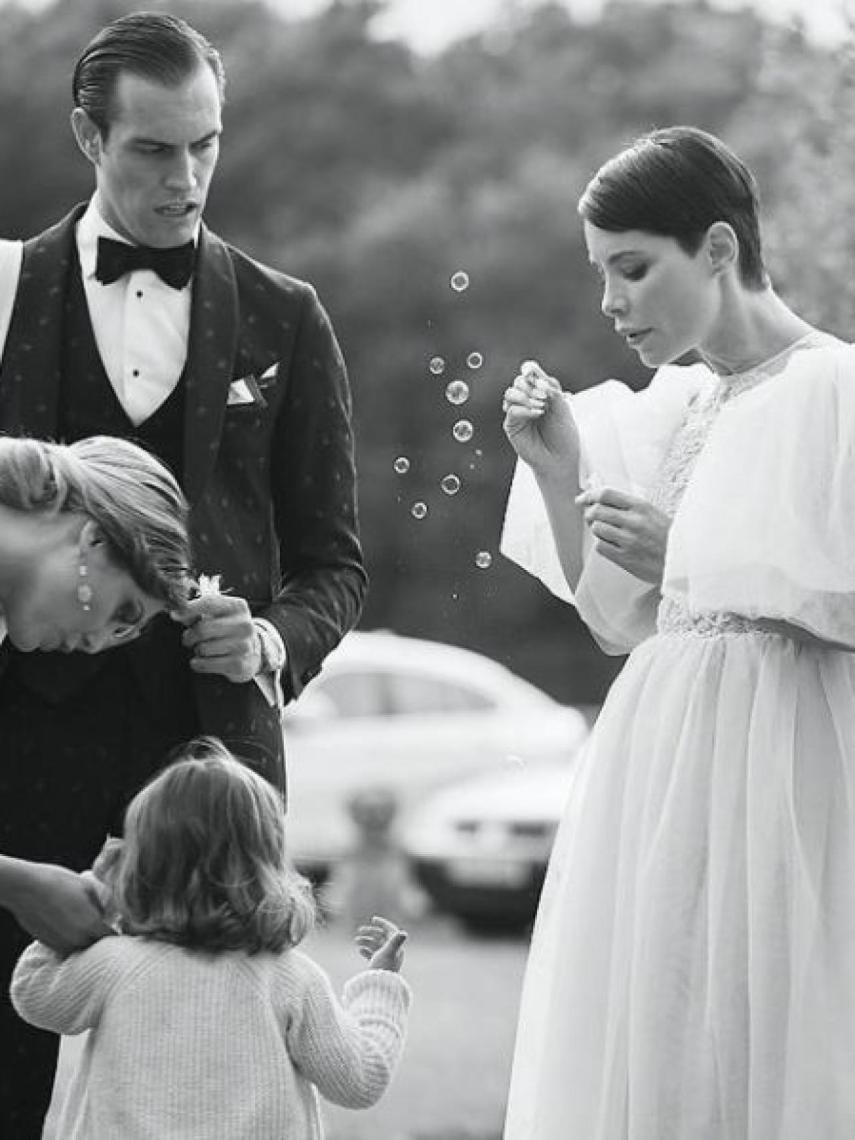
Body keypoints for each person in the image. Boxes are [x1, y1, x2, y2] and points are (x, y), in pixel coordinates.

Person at [0, 10, 366, 1129]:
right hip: (27, 748)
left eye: (206, 144)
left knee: (225, 1090)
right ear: (88, 136)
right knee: (19, 1059)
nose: (188, 177)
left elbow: (335, 569)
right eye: (155, 149)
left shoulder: (287, 318)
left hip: (215, 775)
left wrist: (266, 640)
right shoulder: (5, 292)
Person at [499, 125, 855, 1139]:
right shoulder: (682, 407)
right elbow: (619, 621)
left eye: (633, 268)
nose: (611, 304)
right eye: (602, 274)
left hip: (788, 777)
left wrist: (689, 550)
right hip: (664, 775)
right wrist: (558, 470)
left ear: (717, 248)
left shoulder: (836, 390)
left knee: (771, 1037)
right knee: (659, 1035)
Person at [10, 738, 411, 1139]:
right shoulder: (292, 980)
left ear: (141, 863)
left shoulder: (112, 965)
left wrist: (94, 898)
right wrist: (381, 986)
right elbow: (360, 1080)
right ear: (268, 864)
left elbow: (33, 995)